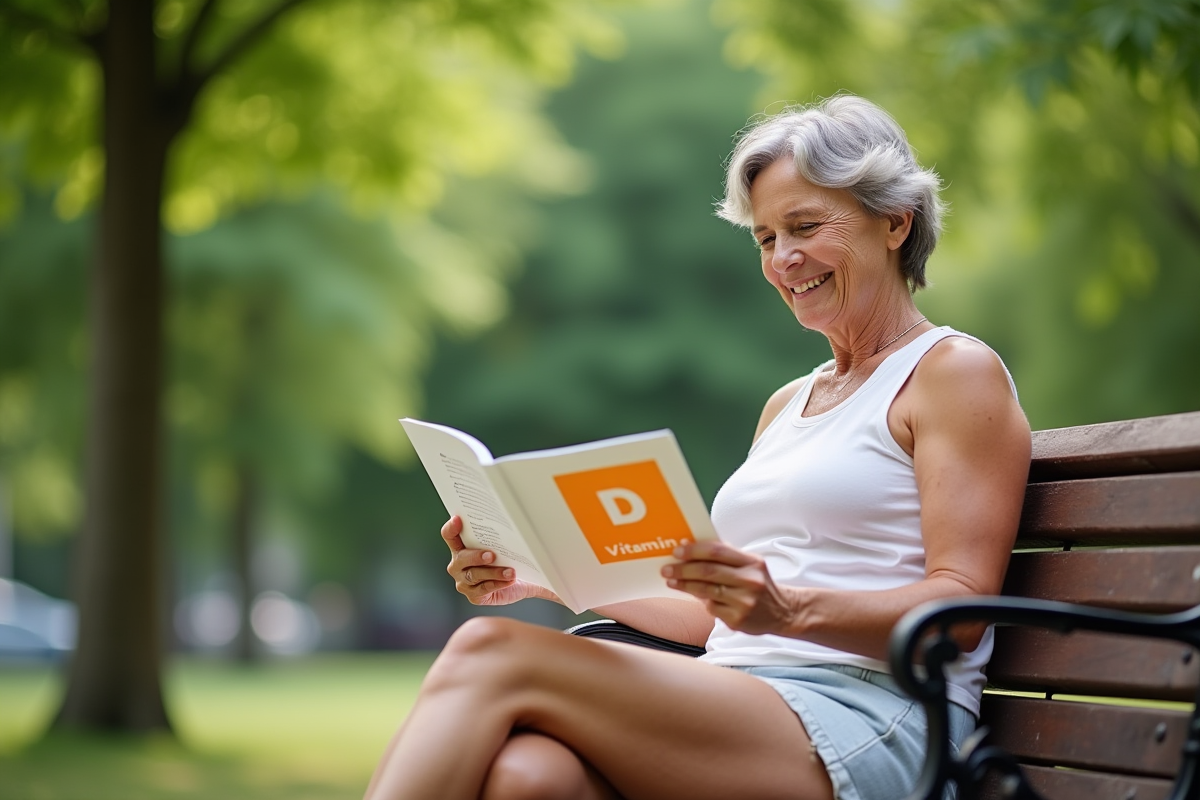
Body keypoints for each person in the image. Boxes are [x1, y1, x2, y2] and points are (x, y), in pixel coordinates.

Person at [364, 94, 1032, 800]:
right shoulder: (788, 404)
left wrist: (789, 610)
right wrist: (547, 577)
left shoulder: (952, 373)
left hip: (876, 718)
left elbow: (959, 612)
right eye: (767, 238)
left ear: (895, 221)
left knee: (488, 650)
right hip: (743, 696)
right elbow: (716, 617)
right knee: (532, 779)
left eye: (804, 226)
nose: (785, 259)